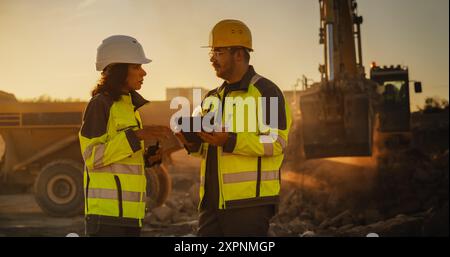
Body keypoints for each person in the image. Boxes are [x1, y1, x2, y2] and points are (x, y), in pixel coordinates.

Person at [176, 19, 292, 236]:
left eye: (218, 52)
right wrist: (190, 142)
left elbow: (276, 142)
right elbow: (207, 149)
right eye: (211, 53)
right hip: (212, 203)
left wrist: (229, 140)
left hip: (249, 204)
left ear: (239, 54)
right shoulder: (212, 97)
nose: (212, 59)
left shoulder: (267, 92)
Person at [79, 35, 170, 237]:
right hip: (106, 219)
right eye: (136, 66)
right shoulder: (100, 104)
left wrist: (147, 159)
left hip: (131, 216)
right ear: (119, 70)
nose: (144, 72)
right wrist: (135, 136)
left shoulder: (129, 108)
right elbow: (92, 157)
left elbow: (121, 160)